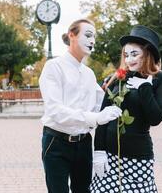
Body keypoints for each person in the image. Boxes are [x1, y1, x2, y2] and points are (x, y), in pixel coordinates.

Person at [39, 19, 122, 193]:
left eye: (95, 37)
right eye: (88, 35)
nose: (92, 41)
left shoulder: (89, 74)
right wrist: (95, 118)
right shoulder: (53, 67)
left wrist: (125, 82)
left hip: (84, 143)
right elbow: (55, 111)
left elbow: (102, 104)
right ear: (72, 35)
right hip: (56, 142)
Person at [90, 25, 162, 193]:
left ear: (148, 54)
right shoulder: (119, 77)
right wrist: (98, 150)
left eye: (134, 54)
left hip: (138, 158)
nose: (128, 60)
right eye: (126, 55)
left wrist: (145, 88)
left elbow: (155, 118)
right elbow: (103, 116)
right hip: (110, 157)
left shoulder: (161, 79)